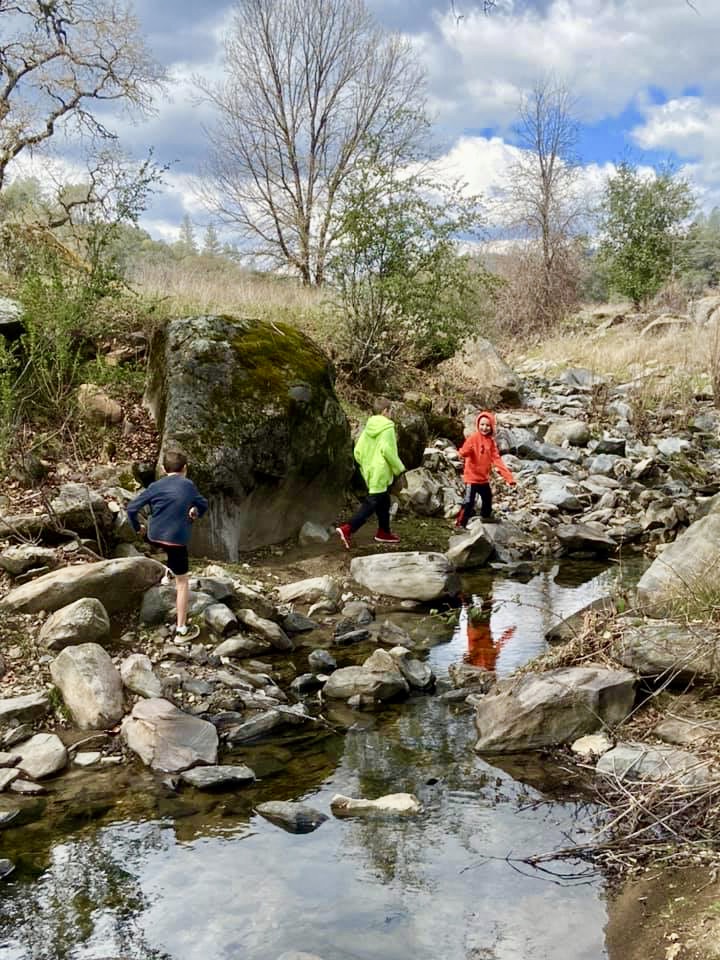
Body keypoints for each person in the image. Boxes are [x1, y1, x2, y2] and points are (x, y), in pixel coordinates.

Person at [127, 450, 208, 641]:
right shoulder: (188, 485)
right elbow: (203, 505)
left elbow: (131, 508)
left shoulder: (156, 485)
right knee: (183, 582)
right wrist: (195, 511)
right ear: (185, 468)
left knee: (169, 550)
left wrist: (137, 527)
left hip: (153, 536)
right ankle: (181, 630)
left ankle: (167, 574)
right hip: (176, 540)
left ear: (163, 469)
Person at [336, 404, 405, 550]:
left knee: (384, 501)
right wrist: (399, 469)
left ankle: (384, 532)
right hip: (382, 472)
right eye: (390, 410)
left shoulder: (369, 426)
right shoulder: (388, 428)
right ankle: (348, 529)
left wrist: (366, 466)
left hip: (372, 471)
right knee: (372, 503)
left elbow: (358, 451)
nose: (391, 413)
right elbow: (388, 451)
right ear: (385, 411)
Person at [456, 410, 515, 527]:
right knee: (468, 502)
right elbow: (463, 452)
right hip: (471, 477)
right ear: (478, 425)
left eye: (488, 425)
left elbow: (497, 460)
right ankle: (460, 524)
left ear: (492, 427)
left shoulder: (491, 442)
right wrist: (465, 452)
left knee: (487, 498)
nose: (484, 427)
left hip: (483, 478)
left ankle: (486, 516)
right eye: (482, 425)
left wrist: (509, 477)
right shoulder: (473, 438)